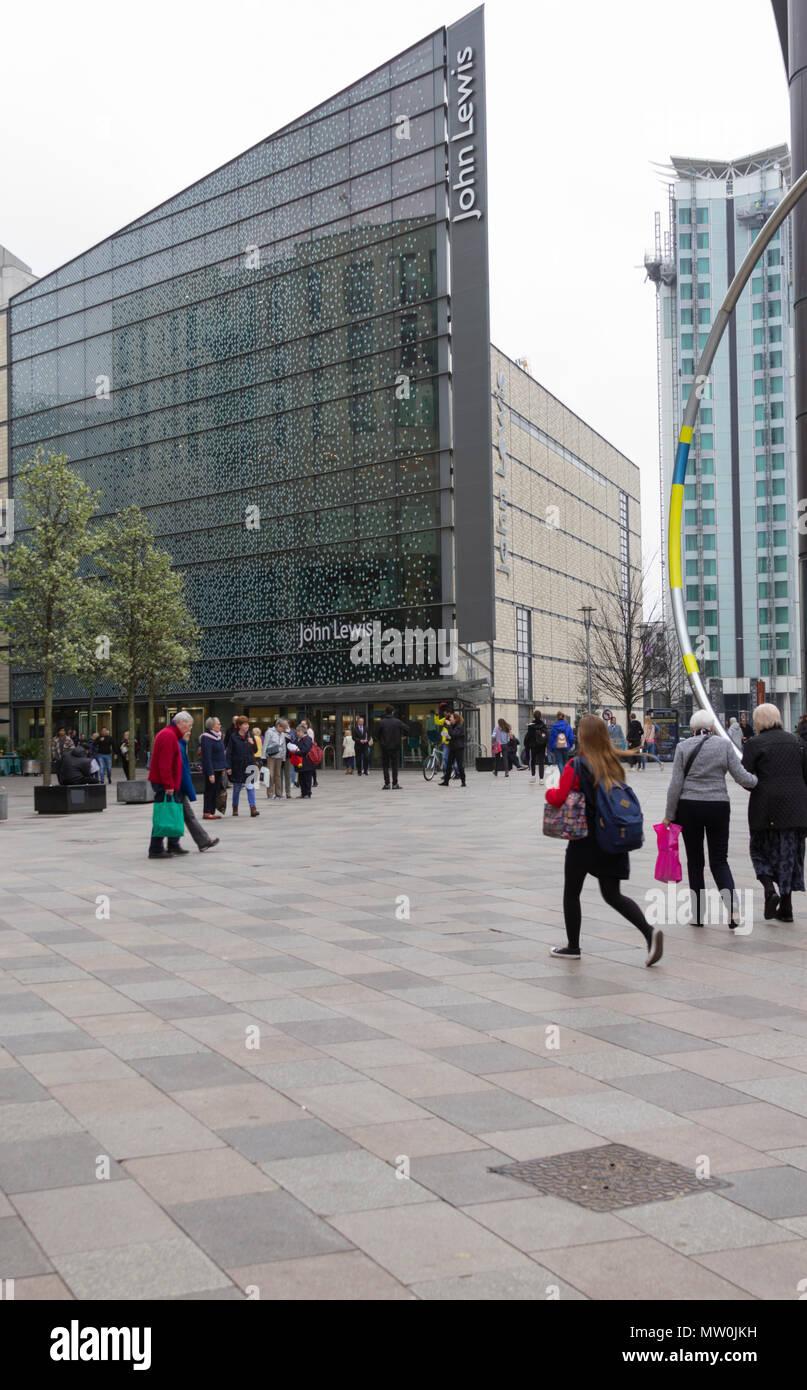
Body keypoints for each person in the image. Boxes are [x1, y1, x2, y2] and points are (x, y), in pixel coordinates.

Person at [545, 714, 662, 965]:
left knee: (571, 892)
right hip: (612, 838)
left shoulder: (576, 765)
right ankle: (649, 933)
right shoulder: (613, 764)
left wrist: (550, 789)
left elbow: (558, 798)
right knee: (613, 895)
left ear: (583, 736)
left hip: (584, 840)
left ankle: (573, 947)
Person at [664, 709, 757, 929]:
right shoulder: (724, 745)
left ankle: (698, 914)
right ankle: (733, 910)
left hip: (689, 808)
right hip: (718, 806)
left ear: (692, 729)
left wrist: (669, 815)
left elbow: (675, 785)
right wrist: (757, 781)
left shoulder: (683, 747)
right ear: (713, 728)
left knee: (695, 862)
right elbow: (740, 775)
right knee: (719, 860)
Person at [742, 702, 807, 923]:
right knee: (789, 853)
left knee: (759, 849)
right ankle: (786, 906)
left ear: (758, 721)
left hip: (766, 806)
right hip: (797, 807)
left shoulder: (754, 744)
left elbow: (746, 777)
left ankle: (769, 888)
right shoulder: (797, 741)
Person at [148, 712, 191, 858]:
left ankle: (173, 844)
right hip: (164, 783)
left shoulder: (171, 734)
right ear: (181, 723)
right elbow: (165, 764)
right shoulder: (168, 736)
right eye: (189, 725)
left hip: (168, 782)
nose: (189, 729)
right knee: (163, 814)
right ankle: (155, 849)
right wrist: (168, 785)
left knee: (171, 812)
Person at [179, 723, 218, 852]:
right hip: (173, 788)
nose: (190, 733)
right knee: (169, 816)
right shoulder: (178, 746)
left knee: (187, 816)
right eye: (187, 730)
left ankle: (203, 841)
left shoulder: (181, 746)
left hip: (178, 788)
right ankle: (158, 846)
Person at [228, 716, 260, 817]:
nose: (247, 726)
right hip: (237, 765)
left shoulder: (250, 735)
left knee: (250, 787)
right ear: (239, 726)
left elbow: (255, 750)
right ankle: (235, 808)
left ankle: (253, 808)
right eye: (244, 724)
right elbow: (229, 753)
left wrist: (252, 743)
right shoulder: (233, 737)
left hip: (249, 764)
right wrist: (228, 766)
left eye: (247, 724)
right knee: (237, 788)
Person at [199, 715, 228, 819]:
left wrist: (224, 767)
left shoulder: (218, 736)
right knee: (209, 791)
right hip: (212, 769)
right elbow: (207, 757)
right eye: (218, 723)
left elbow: (221, 753)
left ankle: (212, 811)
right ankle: (207, 812)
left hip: (219, 769)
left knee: (215, 791)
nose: (220, 725)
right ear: (212, 726)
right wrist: (210, 773)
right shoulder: (206, 738)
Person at [378, 706, 408, 790]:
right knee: (394, 766)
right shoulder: (397, 722)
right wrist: (402, 736)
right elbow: (407, 728)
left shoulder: (381, 722)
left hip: (385, 747)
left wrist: (382, 741)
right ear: (392, 712)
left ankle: (387, 784)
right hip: (395, 747)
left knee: (385, 766)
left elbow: (377, 734)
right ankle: (395, 784)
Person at [263, 719, 287, 800]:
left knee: (278, 775)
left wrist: (284, 758)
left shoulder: (282, 734)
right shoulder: (269, 732)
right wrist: (263, 757)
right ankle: (270, 793)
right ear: (278, 726)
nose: (284, 730)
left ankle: (279, 793)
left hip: (279, 756)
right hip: (271, 756)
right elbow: (265, 744)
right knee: (270, 774)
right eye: (283, 728)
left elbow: (284, 746)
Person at [440, 712, 467, 787]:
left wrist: (448, 727)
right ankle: (446, 781)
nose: (450, 719)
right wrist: (445, 725)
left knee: (459, 765)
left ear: (455, 719)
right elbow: (450, 735)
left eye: (451, 717)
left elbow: (454, 734)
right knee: (449, 765)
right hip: (452, 747)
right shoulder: (453, 725)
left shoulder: (459, 726)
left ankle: (463, 782)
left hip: (458, 748)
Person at [523, 710, 549, 785]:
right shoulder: (543, 725)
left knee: (533, 761)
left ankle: (533, 776)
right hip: (541, 746)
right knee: (541, 762)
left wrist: (526, 744)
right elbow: (546, 735)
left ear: (534, 716)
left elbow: (528, 736)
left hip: (533, 746)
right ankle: (541, 779)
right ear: (540, 716)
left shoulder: (531, 725)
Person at [295, 720, 316, 798]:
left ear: (303, 732)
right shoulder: (299, 739)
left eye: (298, 732)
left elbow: (305, 750)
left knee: (307, 778)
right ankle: (303, 793)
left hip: (307, 762)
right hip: (301, 762)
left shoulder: (307, 739)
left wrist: (296, 752)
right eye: (297, 732)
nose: (297, 733)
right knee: (301, 778)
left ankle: (308, 793)